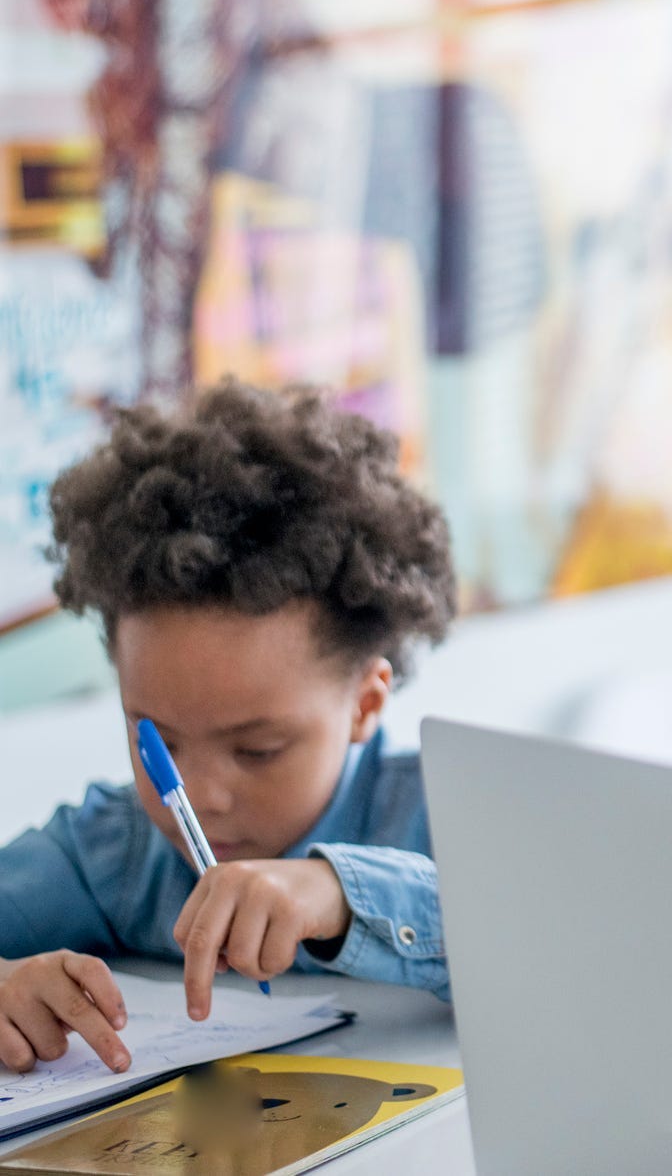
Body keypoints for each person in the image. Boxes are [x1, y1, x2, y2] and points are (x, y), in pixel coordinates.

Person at [0, 381, 458, 1075]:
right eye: (158, 742)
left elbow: (570, 940)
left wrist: (341, 895)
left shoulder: (452, 817)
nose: (201, 796)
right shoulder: (111, 856)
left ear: (365, 704)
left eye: (258, 749)